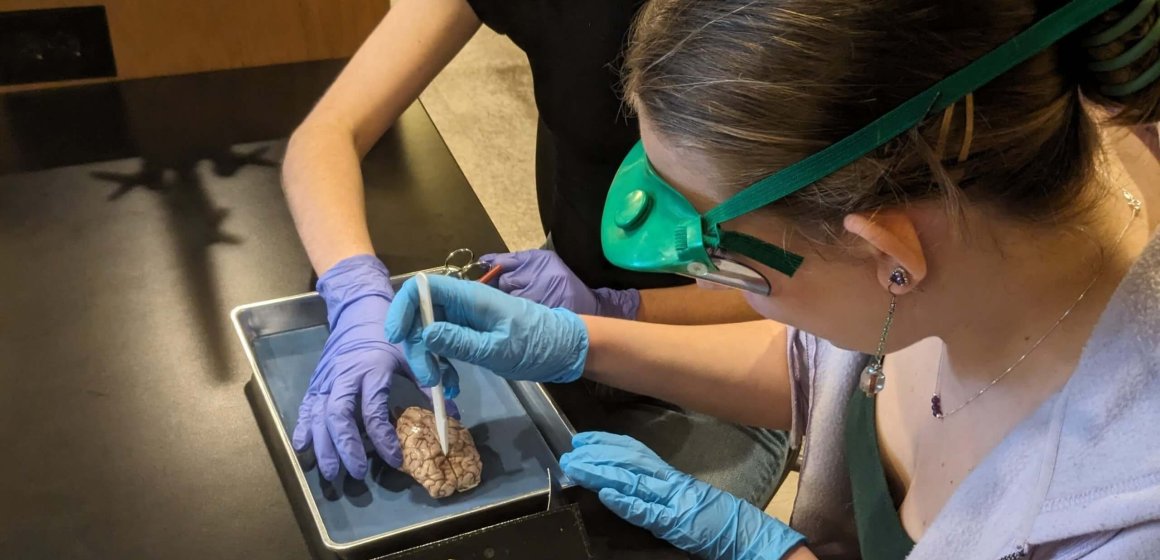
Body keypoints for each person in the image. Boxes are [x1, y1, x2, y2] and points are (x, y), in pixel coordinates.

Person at [385, 0, 1160, 558]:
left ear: (889, 254)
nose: (712, 290)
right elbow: (825, 370)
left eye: (730, 264)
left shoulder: (1127, 514)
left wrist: (771, 552)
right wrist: (576, 341)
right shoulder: (974, 262)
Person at [279, 0, 790, 509]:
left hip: (740, 352)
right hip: (553, 298)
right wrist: (354, 289)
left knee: (617, 531)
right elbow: (329, 131)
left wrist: (617, 310)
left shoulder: (792, 29)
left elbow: (816, 311)